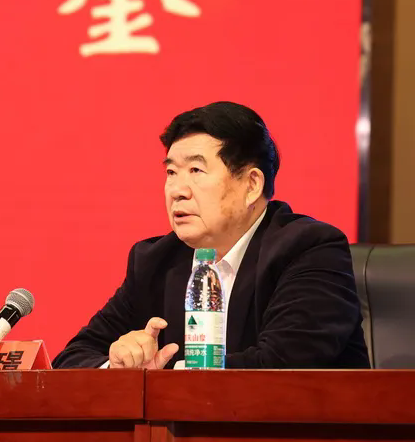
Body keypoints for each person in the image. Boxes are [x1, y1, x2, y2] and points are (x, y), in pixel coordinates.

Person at [52, 102, 369, 369]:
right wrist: (117, 366)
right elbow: (71, 360)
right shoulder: (155, 261)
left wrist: (162, 378)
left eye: (196, 171)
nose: (177, 190)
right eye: (171, 172)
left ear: (251, 185)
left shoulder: (309, 249)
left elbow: (281, 365)